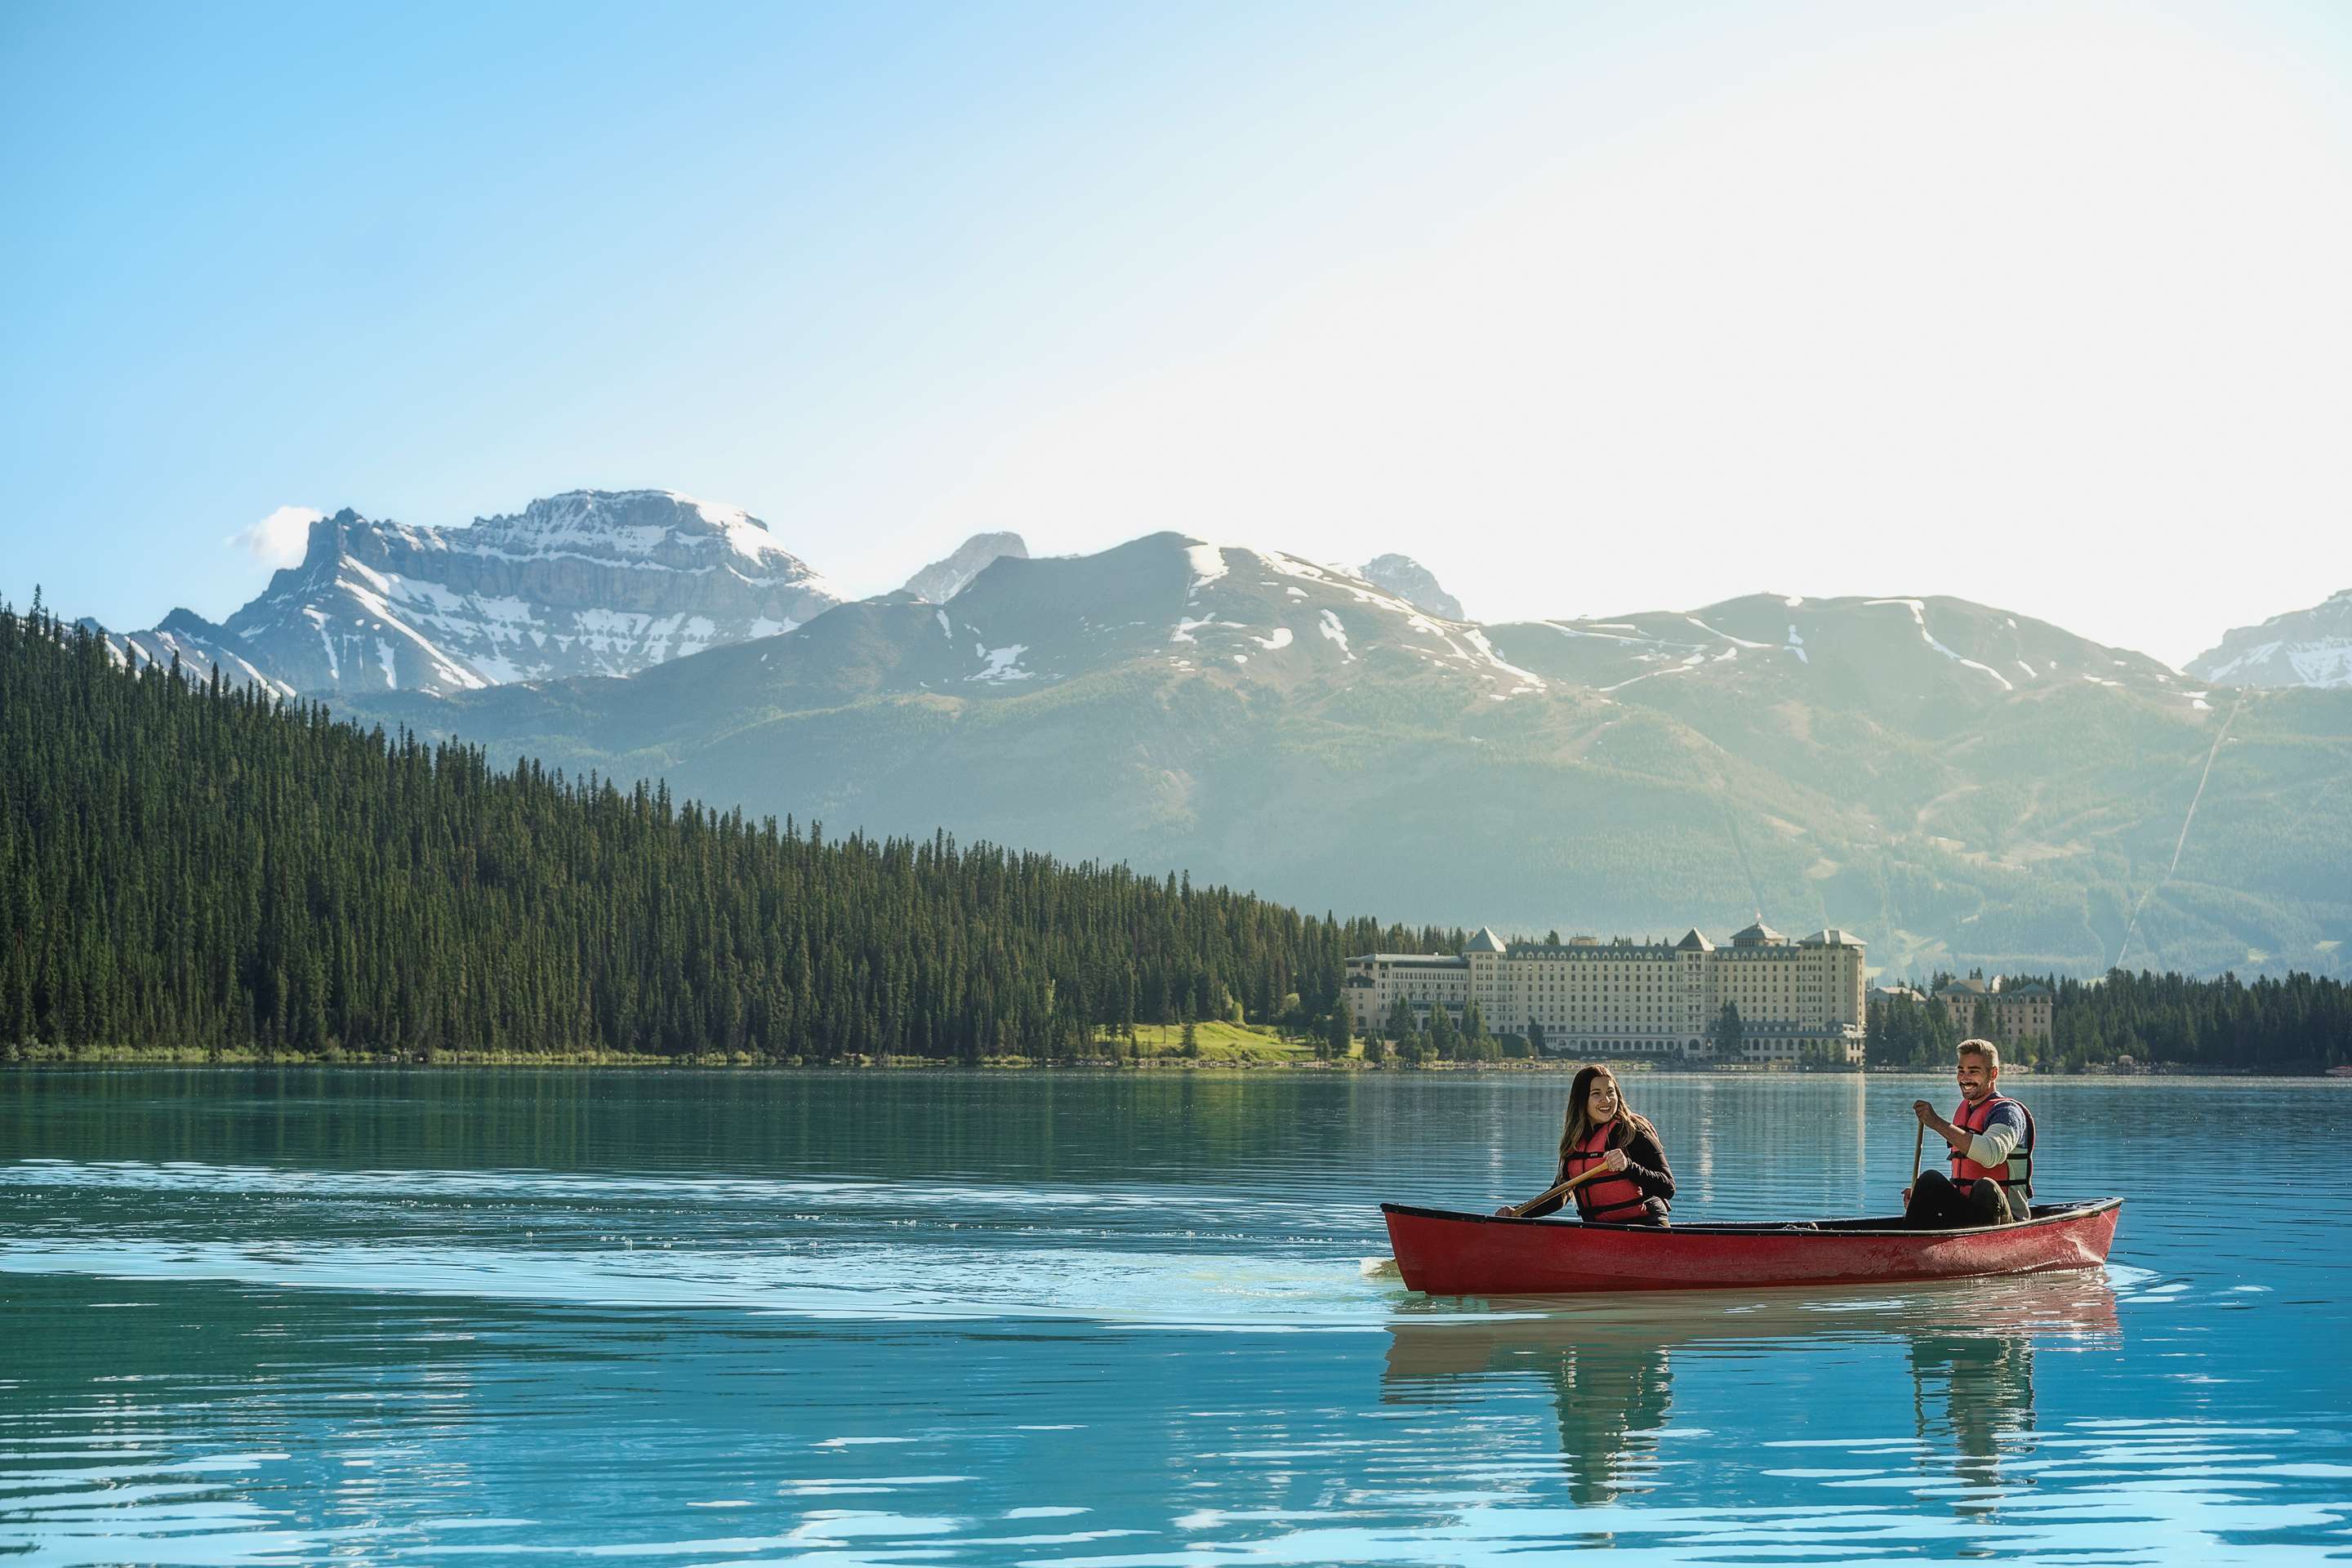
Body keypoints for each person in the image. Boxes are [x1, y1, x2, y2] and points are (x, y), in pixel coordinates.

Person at [1502, 1064, 1674, 1225]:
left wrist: (1628, 1166)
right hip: (1600, 1232)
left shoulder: (1633, 1132)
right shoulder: (1575, 1143)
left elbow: (1668, 1187)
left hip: (1646, 1225)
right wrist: (1518, 1213)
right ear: (1582, 1099)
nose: (1606, 1100)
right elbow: (1559, 1195)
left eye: (1610, 1092)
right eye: (1596, 1094)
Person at [1904, 1038, 2036, 1228]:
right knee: (1928, 1181)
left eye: (1973, 1071)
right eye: (1961, 1071)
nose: (1965, 1079)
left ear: (1993, 1073)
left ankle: (1978, 1244)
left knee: (1986, 1187)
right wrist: (1922, 1200)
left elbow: (1990, 1155)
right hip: (1967, 1215)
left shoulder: (2007, 1112)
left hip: (2006, 1220)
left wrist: (1936, 1122)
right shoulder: (1965, 1111)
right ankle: (1909, 1242)